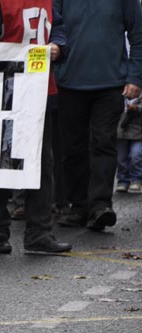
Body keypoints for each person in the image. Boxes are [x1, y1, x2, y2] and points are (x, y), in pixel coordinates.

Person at [0, 0, 70, 254]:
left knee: (41, 164)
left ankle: (39, 233)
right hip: (2, 96)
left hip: (38, 92)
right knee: (0, 163)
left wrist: (58, 46)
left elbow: (56, 24)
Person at [52, 0, 142, 232]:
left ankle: (100, 205)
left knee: (103, 143)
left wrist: (135, 77)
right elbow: (52, 26)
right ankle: (79, 205)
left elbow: (138, 33)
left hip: (110, 83)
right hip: (69, 82)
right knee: (73, 148)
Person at [116, 97, 142, 193]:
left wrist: (136, 108)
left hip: (138, 131)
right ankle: (123, 180)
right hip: (120, 131)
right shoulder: (119, 94)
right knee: (121, 158)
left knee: (136, 155)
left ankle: (137, 179)